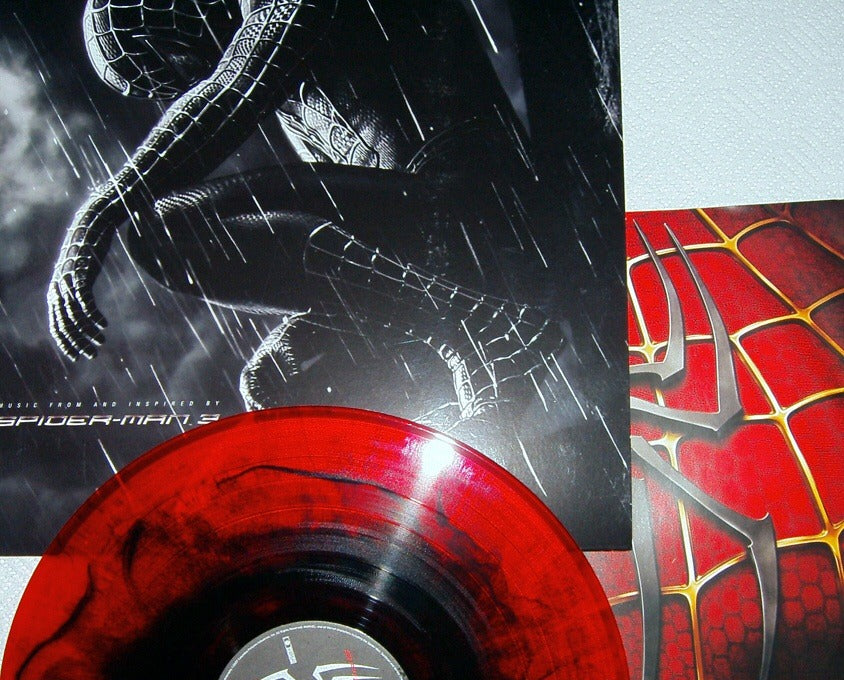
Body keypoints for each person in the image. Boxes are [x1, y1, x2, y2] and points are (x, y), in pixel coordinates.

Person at [47, 0, 562, 422]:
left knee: (164, 229)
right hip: (434, 223)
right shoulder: (267, 74)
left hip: (465, 187)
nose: (182, 76)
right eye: (165, 76)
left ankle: (477, 329)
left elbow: (235, 86)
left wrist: (99, 213)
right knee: (271, 382)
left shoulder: (271, 34)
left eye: (168, 55)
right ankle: (465, 355)